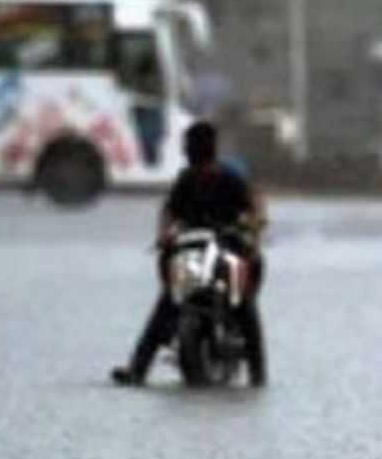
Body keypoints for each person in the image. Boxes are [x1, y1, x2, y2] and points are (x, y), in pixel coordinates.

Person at [111, 121, 267, 387]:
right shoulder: (186, 180)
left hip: (225, 248)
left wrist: (250, 229)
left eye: (190, 145)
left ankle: (258, 373)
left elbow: (255, 207)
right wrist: (164, 235)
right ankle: (137, 370)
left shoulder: (230, 178)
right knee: (168, 302)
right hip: (191, 252)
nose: (189, 150)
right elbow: (169, 212)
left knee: (244, 303)